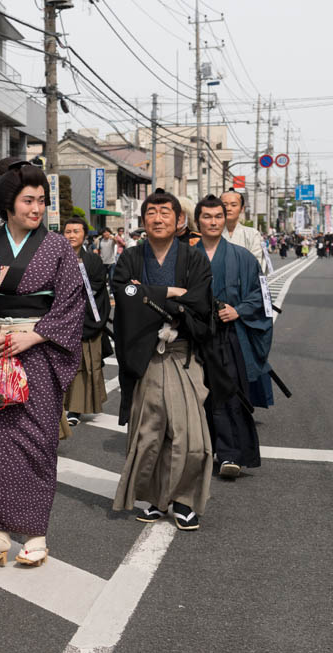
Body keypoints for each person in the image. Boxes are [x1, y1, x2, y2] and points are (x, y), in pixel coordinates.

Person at [0, 158, 83, 571]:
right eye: (28, 200)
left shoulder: (58, 248)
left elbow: (70, 303)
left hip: (39, 353)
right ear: (7, 203)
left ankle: (35, 534)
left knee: (35, 442)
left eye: (42, 201)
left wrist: (33, 335)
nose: (37, 208)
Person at [111, 190, 216, 531]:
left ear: (179, 220)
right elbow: (123, 294)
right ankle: (157, 498)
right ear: (143, 222)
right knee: (150, 433)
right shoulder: (130, 257)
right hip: (144, 357)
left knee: (190, 436)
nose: (158, 218)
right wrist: (171, 293)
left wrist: (147, 295)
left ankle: (184, 499)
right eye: (151, 213)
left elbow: (200, 302)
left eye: (165, 213)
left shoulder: (194, 259)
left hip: (183, 353)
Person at [194, 195, 265, 480]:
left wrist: (239, 310)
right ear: (197, 220)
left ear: (226, 219)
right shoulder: (185, 256)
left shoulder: (243, 257)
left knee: (227, 395)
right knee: (194, 397)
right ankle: (198, 452)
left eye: (218, 217)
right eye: (207, 217)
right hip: (192, 336)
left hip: (228, 336)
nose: (213, 222)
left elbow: (261, 296)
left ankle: (229, 454)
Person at [61, 216, 111, 426]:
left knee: (83, 366)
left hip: (84, 319)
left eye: (76, 231)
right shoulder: (55, 257)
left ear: (84, 235)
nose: (71, 235)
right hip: (60, 321)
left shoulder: (93, 260)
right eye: (68, 231)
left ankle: (75, 409)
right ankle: (59, 406)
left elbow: (98, 288)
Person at [219, 190, 266, 273]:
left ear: (242, 209)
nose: (228, 208)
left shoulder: (253, 234)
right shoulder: (211, 233)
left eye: (233, 205)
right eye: (224, 205)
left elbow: (256, 264)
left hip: (245, 283)